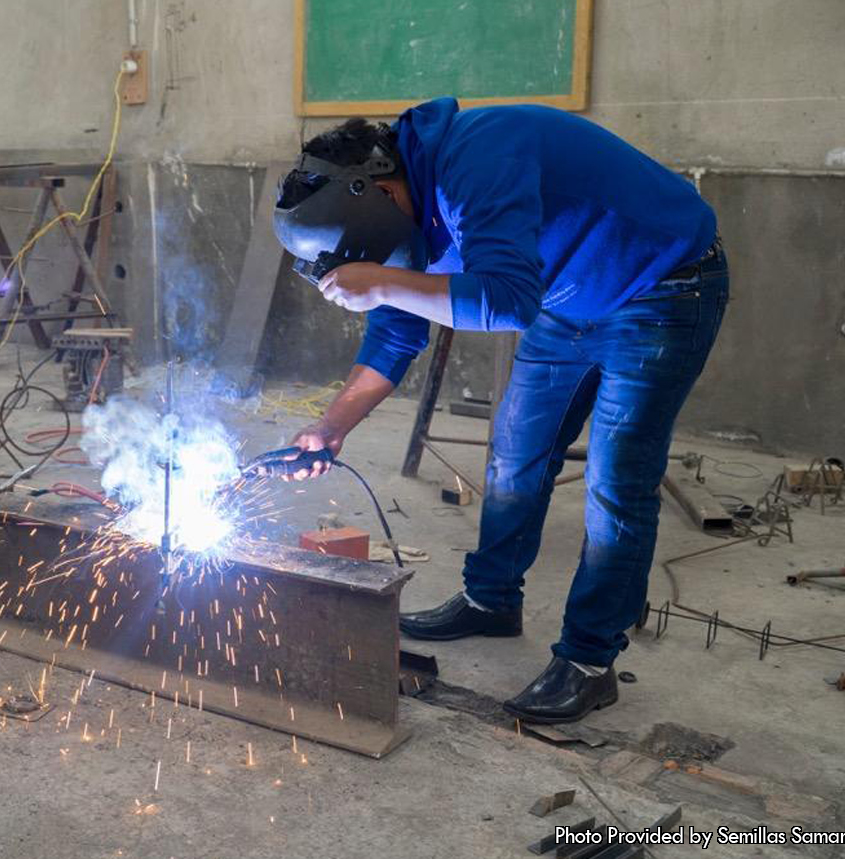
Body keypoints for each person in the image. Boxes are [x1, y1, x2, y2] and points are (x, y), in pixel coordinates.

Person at [270, 97, 726, 724]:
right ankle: (491, 602)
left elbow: (508, 300)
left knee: (616, 482)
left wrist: (377, 280)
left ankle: (590, 660)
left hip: (663, 285)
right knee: (515, 456)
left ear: (373, 189)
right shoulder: (401, 217)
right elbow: (394, 333)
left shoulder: (480, 154)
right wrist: (329, 428)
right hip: (567, 301)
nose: (380, 265)